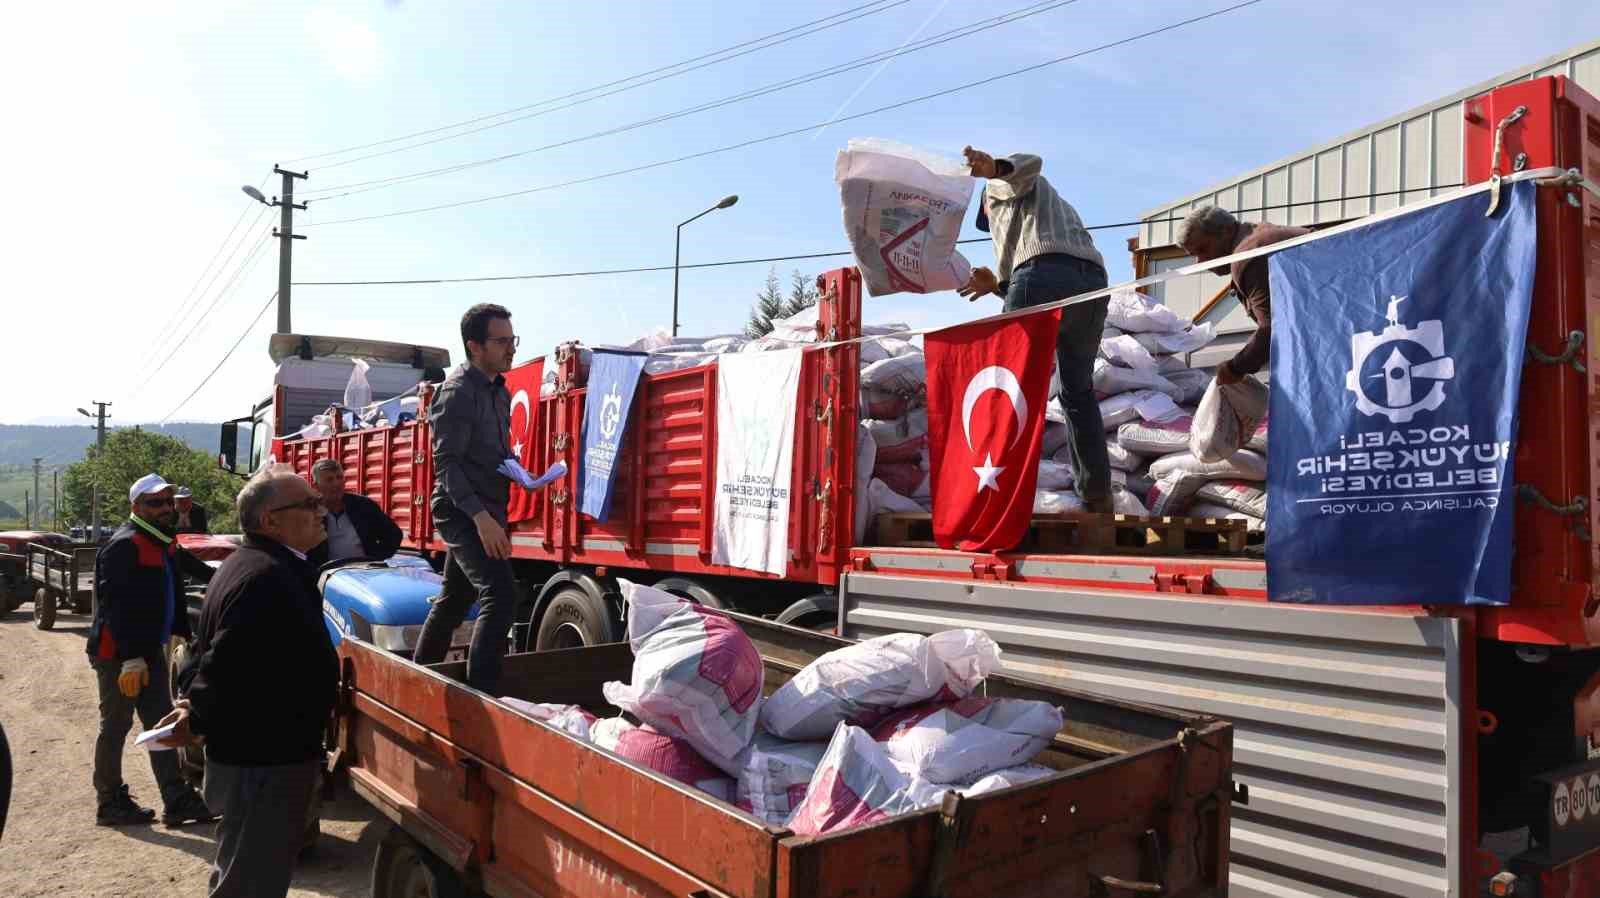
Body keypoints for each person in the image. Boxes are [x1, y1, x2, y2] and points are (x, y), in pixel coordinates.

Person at [156, 468, 335, 898]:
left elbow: (209, 654)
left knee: (245, 874)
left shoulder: (253, 564)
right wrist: (195, 714)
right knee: (248, 883)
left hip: (258, 757)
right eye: (309, 504)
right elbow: (227, 661)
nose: (322, 511)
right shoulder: (266, 577)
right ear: (271, 520)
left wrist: (192, 705)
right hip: (263, 761)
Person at [956, 147, 1114, 513]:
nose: (991, 225)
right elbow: (1035, 283)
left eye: (986, 219)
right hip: (1092, 284)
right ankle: (1097, 495)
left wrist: (993, 169)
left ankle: (994, 498)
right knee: (1077, 392)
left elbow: (1028, 166)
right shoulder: (1054, 211)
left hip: (1041, 274)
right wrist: (998, 286)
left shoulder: (1005, 188)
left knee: (1006, 385)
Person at [87, 473, 215, 827]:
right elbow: (113, 606)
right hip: (119, 654)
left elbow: (192, 569)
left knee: (162, 724)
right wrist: (130, 658)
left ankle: (176, 799)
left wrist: (230, 576)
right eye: (155, 502)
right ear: (136, 506)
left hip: (148, 650)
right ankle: (109, 801)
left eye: (168, 502)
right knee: (115, 726)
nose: (164, 508)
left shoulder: (161, 540)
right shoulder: (124, 545)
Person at [411, 303, 519, 692]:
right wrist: (481, 519)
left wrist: (520, 472)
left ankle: (417, 678)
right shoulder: (456, 392)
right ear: (475, 346)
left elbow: (490, 452)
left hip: (489, 507)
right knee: (501, 595)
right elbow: (447, 466)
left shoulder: (500, 391)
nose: (511, 349)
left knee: (456, 598)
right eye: (501, 341)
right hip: (462, 511)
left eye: (513, 340)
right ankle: (482, 696)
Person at [1175, 206, 1309, 384]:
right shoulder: (1262, 236)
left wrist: (1235, 367)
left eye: (1203, 249)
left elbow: (1275, 328)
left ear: (1227, 230)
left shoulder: (1250, 255)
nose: (1200, 262)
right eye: (1194, 255)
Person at [306, 459, 404, 567]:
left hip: (363, 572)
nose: (336, 483)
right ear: (315, 486)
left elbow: (394, 535)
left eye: (339, 477)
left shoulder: (363, 506)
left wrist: (376, 559)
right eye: (329, 480)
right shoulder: (309, 512)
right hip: (326, 574)